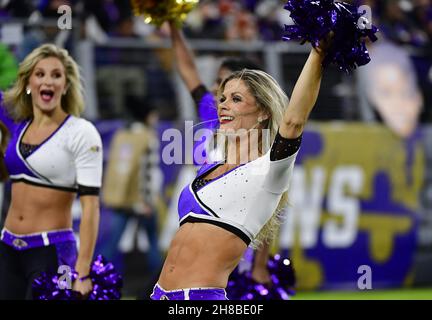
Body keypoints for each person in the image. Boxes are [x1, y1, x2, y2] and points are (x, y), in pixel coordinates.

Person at [150, 34, 329, 300]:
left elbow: (293, 121)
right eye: (222, 98)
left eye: (236, 99)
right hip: (160, 295)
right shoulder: (209, 167)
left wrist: (318, 53)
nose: (222, 105)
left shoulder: (269, 170)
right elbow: (189, 74)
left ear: (263, 112)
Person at [168, 20, 281, 288]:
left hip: (236, 251)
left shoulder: (260, 146)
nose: (217, 91)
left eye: (226, 86)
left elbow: (271, 212)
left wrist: (260, 264)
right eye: (219, 85)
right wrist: (172, 21)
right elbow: (187, 70)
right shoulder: (211, 115)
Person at [0, 44, 103, 300]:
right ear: (28, 82)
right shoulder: (18, 128)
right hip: (7, 247)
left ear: (66, 85)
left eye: (56, 75)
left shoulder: (80, 132)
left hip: (52, 252)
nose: (48, 81)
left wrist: (83, 270)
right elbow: (5, 177)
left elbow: (90, 207)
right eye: (40, 74)